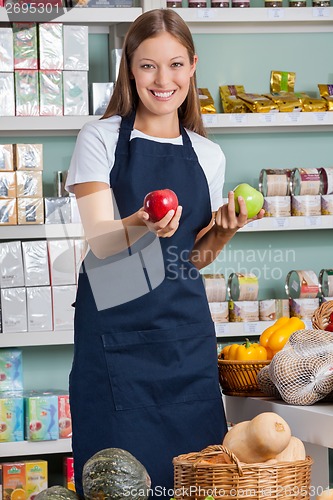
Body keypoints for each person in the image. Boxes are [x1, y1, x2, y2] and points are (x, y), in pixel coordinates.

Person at [65, 8, 264, 499]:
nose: (163, 79)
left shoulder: (207, 153)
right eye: (148, 65)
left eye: (175, 65)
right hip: (115, 336)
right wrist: (140, 222)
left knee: (196, 483)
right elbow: (100, 240)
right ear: (130, 69)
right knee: (117, 482)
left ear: (193, 66)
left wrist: (223, 232)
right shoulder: (101, 138)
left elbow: (190, 260)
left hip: (183, 342)